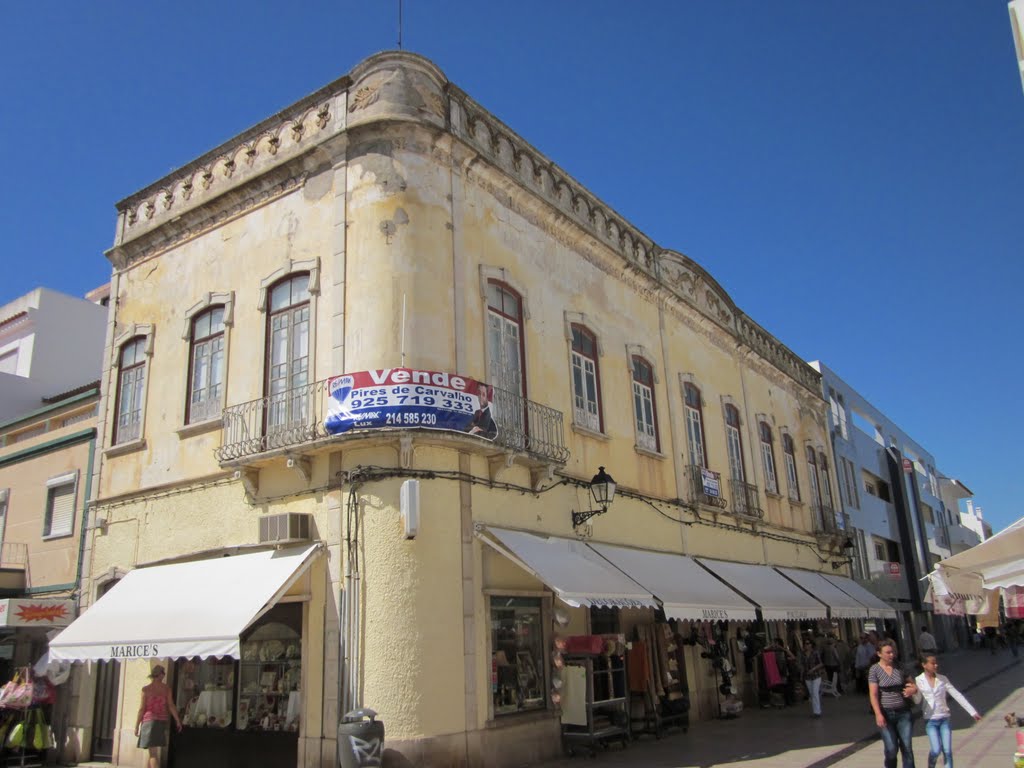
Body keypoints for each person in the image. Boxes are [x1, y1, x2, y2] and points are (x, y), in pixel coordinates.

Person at [913, 653, 981, 768]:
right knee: (936, 749)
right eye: (932, 663)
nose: (936, 665)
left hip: (944, 718)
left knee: (947, 751)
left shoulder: (942, 679)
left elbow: (957, 695)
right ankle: (931, 764)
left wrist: (972, 712)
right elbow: (917, 700)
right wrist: (914, 692)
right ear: (924, 665)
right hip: (930, 721)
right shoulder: (919, 680)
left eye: (936, 663)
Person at [869, 639, 918, 768]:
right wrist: (878, 714)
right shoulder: (874, 670)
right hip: (886, 714)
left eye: (892, 652)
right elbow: (873, 694)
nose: (891, 655)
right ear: (879, 654)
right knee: (891, 749)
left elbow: (913, 684)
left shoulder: (900, 666)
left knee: (907, 747)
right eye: (888, 652)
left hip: (903, 712)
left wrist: (913, 689)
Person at [134, 665, 183, 768]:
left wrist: (136, 725)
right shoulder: (166, 689)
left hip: (148, 722)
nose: (164, 675)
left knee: (153, 753)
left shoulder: (146, 689)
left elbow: (142, 709)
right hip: (161, 721)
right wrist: (177, 720)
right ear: (160, 675)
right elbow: (171, 705)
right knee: (152, 752)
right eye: (163, 673)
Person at [802, 639, 825, 717]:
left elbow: (821, 663)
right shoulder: (803, 654)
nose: (806, 645)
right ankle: (815, 710)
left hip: (816, 676)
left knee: (815, 693)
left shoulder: (815, 653)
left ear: (811, 644)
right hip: (807, 676)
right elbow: (801, 664)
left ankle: (817, 712)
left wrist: (813, 669)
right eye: (805, 644)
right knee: (812, 694)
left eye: (808, 643)